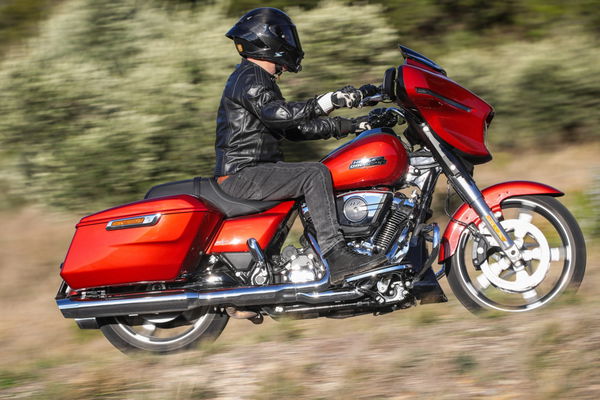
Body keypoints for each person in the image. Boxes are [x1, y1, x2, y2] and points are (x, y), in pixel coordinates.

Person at [215, 7, 388, 285]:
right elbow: (277, 113)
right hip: (243, 174)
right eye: (286, 36)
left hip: (253, 171)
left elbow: (296, 129)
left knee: (319, 170)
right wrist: (326, 102)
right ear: (268, 40)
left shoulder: (256, 78)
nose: (292, 44)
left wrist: (355, 125)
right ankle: (336, 254)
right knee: (314, 174)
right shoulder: (250, 77)